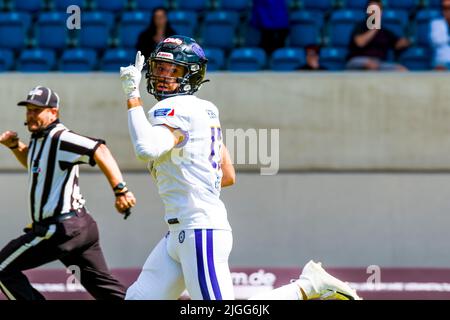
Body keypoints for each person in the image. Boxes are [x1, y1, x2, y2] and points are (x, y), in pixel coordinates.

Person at [119, 35, 361, 300]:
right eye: (159, 69)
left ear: (192, 74)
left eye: (173, 70)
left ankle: (307, 287)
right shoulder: (205, 110)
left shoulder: (172, 109)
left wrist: (132, 96)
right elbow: (227, 175)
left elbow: (146, 148)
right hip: (181, 231)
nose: (163, 77)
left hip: (198, 230)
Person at [0, 86, 136, 300]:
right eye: (28, 110)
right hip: (79, 229)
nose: (31, 115)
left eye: (37, 110)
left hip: (61, 229)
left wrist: (121, 190)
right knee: (106, 290)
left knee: (2, 268)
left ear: (53, 112)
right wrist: (16, 146)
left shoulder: (60, 138)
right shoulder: (38, 139)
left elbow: (100, 149)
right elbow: (34, 163)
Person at [346, 0, 410, 71]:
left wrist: (405, 41)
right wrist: (374, 28)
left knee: (401, 69)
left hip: (379, 63)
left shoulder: (385, 32)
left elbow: (397, 44)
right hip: (358, 60)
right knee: (370, 65)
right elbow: (360, 43)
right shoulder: (360, 26)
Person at [430, 0, 450, 70]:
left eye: (449, 8)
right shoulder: (436, 23)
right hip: (442, 62)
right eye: (445, 8)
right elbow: (436, 40)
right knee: (440, 68)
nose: (447, 11)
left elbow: (442, 39)